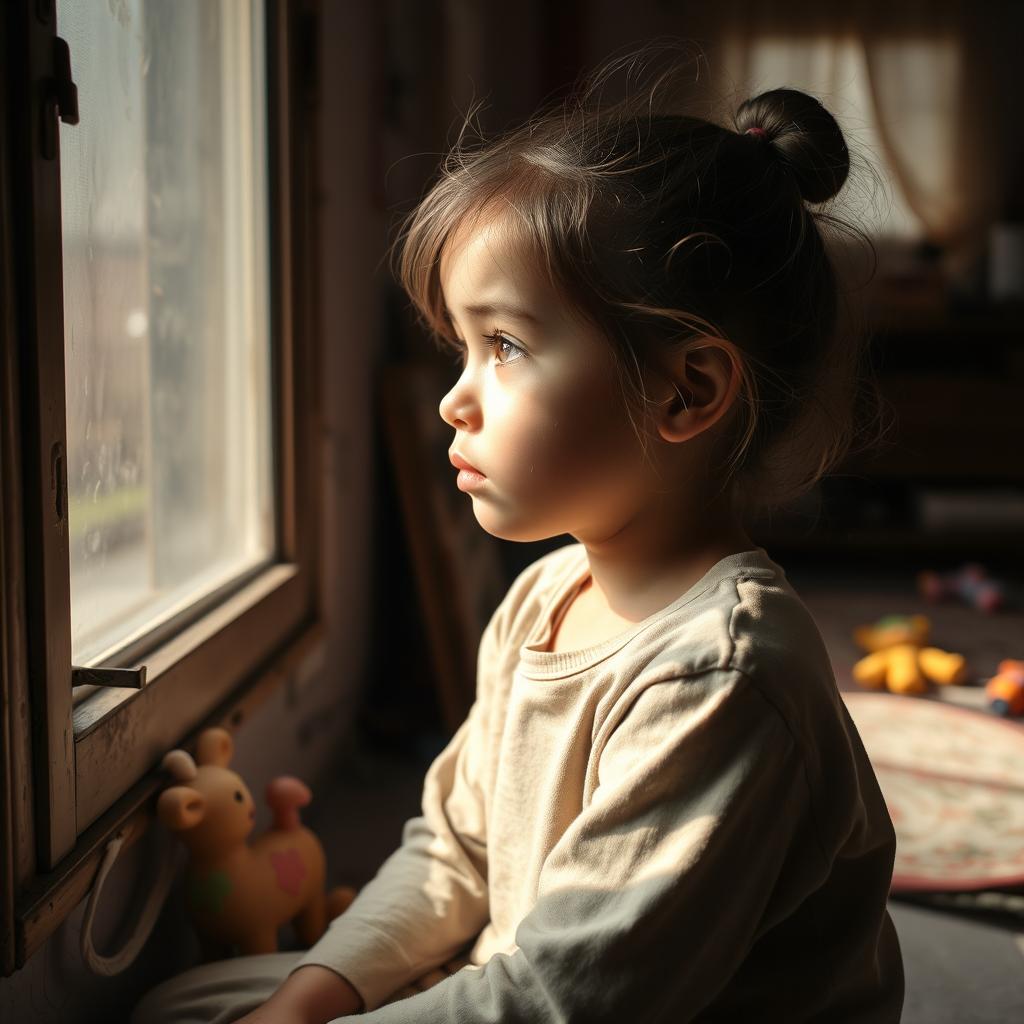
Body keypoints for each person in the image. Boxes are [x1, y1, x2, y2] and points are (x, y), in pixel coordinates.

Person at [133, 39, 904, 1024]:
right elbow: (455, 849)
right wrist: (311, 993)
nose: (453, 400)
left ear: (686, 388)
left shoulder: (724, 678)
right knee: (191, 1004)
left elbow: (560, 1000)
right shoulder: (548, 595)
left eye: (502, 345)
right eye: (459, 347)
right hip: (527, 984)